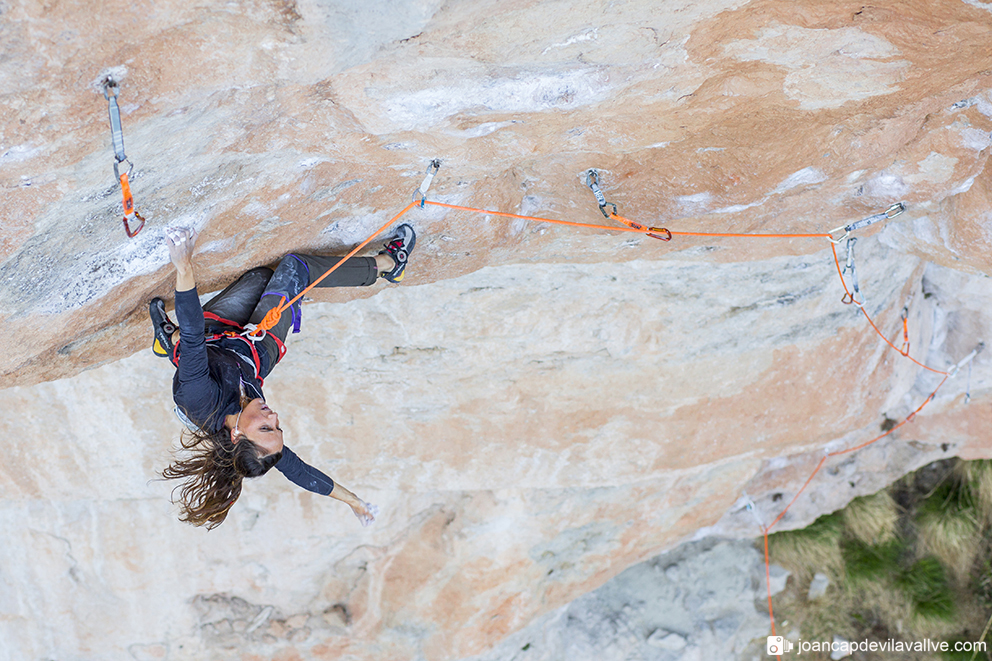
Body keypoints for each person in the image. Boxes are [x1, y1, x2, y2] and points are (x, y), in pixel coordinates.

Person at [153, 224, 416, 529]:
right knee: (284, 273)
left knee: (267, 279)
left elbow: (194, 331)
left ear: (236, 435)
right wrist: (354, 501)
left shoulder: (200, 398)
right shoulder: (258, 440)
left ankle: (171, 344)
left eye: (266, 426)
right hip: (255, 351)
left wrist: (183, 265)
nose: (274, 415)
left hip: (211, 340)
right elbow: (301, 472)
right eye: (278, 426)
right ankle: (389, 264)